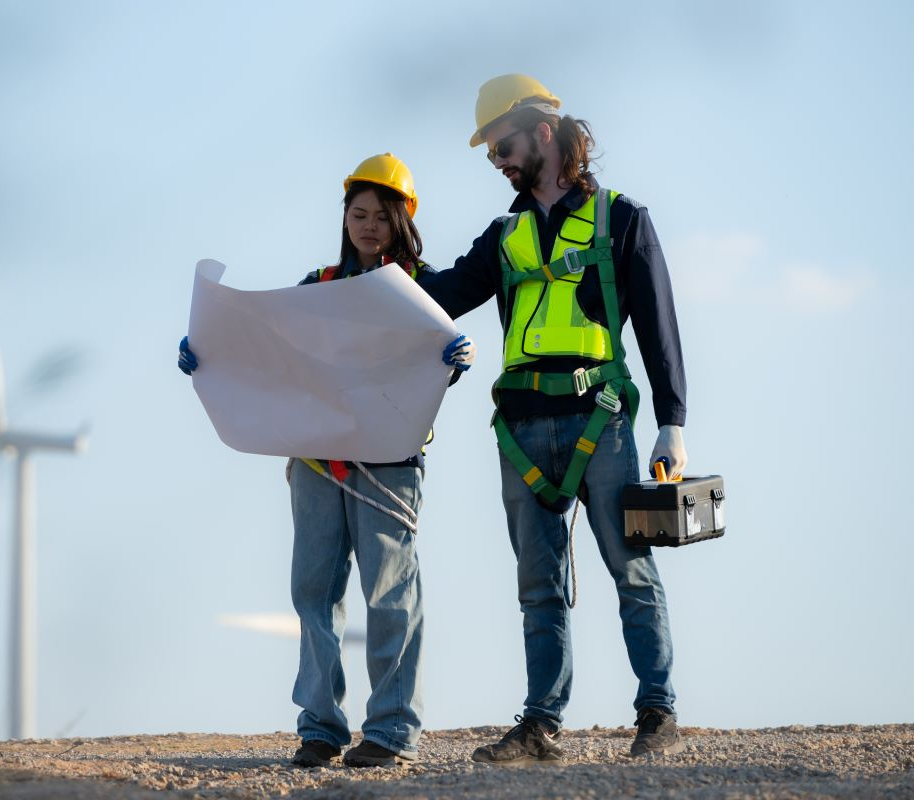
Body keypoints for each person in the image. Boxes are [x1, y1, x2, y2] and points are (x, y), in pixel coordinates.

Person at [418, 75, 689, 763]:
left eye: (501, 145)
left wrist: (673, 420)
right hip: (521, 427)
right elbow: (439, 295)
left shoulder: (621, 218)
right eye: (488, 154)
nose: (496, 161)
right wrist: (361, 283)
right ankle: (541, 724)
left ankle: (657, 712)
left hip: (602, 418)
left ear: (543, 132)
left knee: (629, 568)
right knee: (538, 586)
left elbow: (658, 326)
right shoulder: (503, 237)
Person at [178, 154, 475, 768]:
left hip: (388, 464)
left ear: (402, 220)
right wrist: (206, 349)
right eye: (359, 213)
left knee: (390, 593)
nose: (369, 225)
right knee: (313, 592)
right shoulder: (315, 287)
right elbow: (268, 348)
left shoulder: (421, 290)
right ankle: (320, 727)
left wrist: (455, 353)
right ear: (344, 216)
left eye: (381, 215)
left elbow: (425, 369)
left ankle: (392, 731)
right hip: (317, 462)